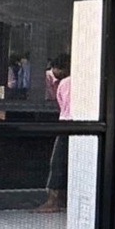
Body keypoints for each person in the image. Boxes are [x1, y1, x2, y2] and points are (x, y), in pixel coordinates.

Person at [37, 54, 71, 214]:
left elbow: (61, 103)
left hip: (65, 123)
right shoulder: (86, 83)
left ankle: (53, 200)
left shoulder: (64, 83)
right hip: (84, 125)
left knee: (58, 161)